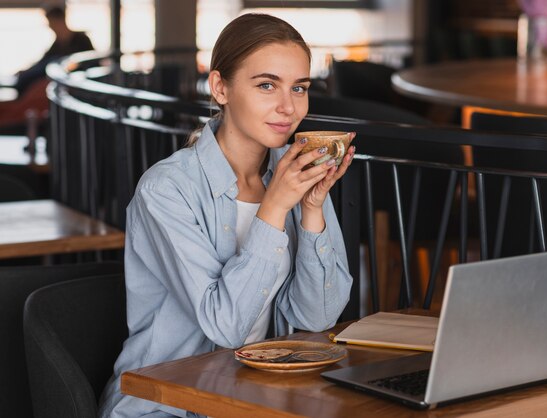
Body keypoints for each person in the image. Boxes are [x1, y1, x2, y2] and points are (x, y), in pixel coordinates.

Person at [98, 13, 355, 418]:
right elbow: (227, 327)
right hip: (163, 406)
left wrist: (311, 209)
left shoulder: (290, 176)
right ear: (221, 87)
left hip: (249, 398)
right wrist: (273, 207)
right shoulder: (166, 189)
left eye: (300, 87)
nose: (288, 107)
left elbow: (316, 318)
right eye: (267, 85)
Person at [0, 6, 93, 128]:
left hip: (63, 86)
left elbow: (88, 65)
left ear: (59, 21)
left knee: (28, 100)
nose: (50, 27)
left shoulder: (81, 41)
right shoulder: (57, 44)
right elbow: (41, 62)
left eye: (51, 23)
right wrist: (25, 71)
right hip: (43, 84)